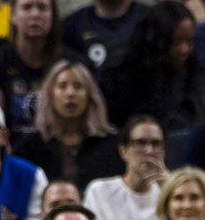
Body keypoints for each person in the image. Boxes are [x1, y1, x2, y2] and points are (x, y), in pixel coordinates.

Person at [0, 0, 77, 139]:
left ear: (53, 15)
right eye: (27, 7)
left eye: (42, 8)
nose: (35, 14)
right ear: (13, 15)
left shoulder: (72, 65)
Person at [12, 61, 122, 190]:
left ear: (90, 96)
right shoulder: (29, 147)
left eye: (78, 86)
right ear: (50, 95)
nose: (70, 93)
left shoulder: (112, 145)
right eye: (62, 86)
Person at [102, 0, 205, 131]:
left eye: (189, 41)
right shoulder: (119, 70)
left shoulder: (192, 65)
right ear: (157, 38)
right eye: (176, 41)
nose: (184, 50)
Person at [84, 116, 167, 220]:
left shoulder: (172, 194)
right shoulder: (99, 191)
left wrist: (170, 189)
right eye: (140, 143)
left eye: (156, 144)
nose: (149, 151)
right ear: (123, 151)